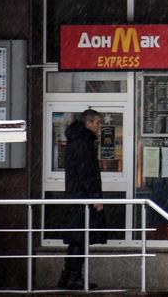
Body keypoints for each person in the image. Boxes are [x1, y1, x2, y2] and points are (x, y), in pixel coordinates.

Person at [58, 109, 107, 290]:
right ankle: (73, 278)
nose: (99, 126)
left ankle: (69, 276)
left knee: (76, 238)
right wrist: (95, 197)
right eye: (97, 123)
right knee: (79, 238)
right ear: (88, 123)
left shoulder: (76, 141)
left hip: (75, 197)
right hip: (82, 199)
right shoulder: (83, 143)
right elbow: (87, 173)